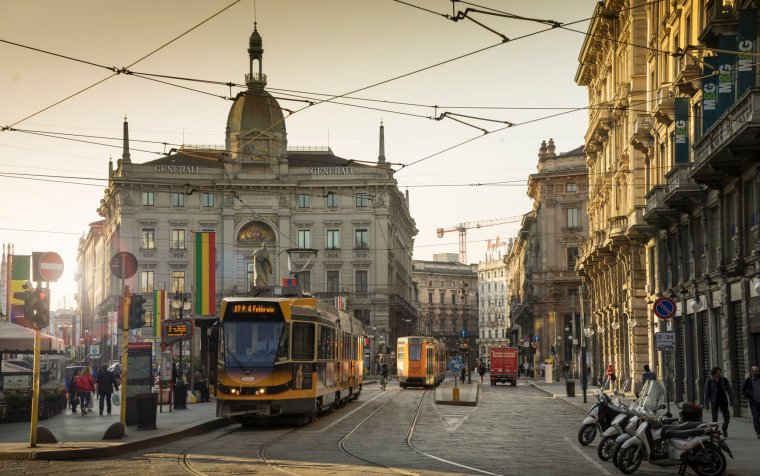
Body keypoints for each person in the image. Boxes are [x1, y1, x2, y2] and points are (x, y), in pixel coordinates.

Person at [704, 366, 735, 437]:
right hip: (714, 401)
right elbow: (706, 393)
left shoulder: (724, 380)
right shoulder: (709, 381)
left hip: (723, 401)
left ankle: (724, 428)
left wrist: (732, 402)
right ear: (713, 373)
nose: (719, 374)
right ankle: (715, 431)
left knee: (727, 417)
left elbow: (730, 391)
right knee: (714, 418)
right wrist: (706, 405)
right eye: (717, 373)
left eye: (720, 372)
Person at [741, 365, 760, 439]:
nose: (757, 373)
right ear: (752, 372)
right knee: (756, 417)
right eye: (755, 371)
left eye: (758, 371)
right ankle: (758, 432)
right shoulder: (748, 380)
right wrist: (748, 397)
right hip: (753, 402)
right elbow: (743, 390)